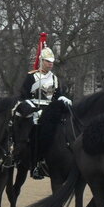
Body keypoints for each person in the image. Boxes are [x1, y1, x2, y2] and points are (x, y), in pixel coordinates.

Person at [20, 33, 72, 179]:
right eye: (48, 61)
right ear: (41, 61)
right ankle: (36, 164)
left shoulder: (54, 78)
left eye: (52, 62)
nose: (50, 64)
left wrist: (63, 99)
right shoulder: (32, 77)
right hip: (34, 111)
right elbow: (23, 96)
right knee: (36, 132)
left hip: (50, 111)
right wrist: (32, 110)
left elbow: (57, 95)